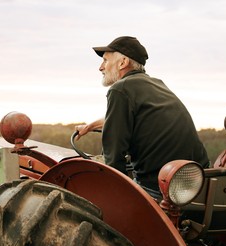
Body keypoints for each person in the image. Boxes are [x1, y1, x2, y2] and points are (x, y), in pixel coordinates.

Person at [76, 36, 209, 193]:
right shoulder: (156, 84)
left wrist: (115, 189)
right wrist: (90, 126)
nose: (100, 67)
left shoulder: (120, 89)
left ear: (123, 62)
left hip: (162, 186)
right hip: (199, 178)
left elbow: (114, 153)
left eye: (105, 60)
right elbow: (125, 119)